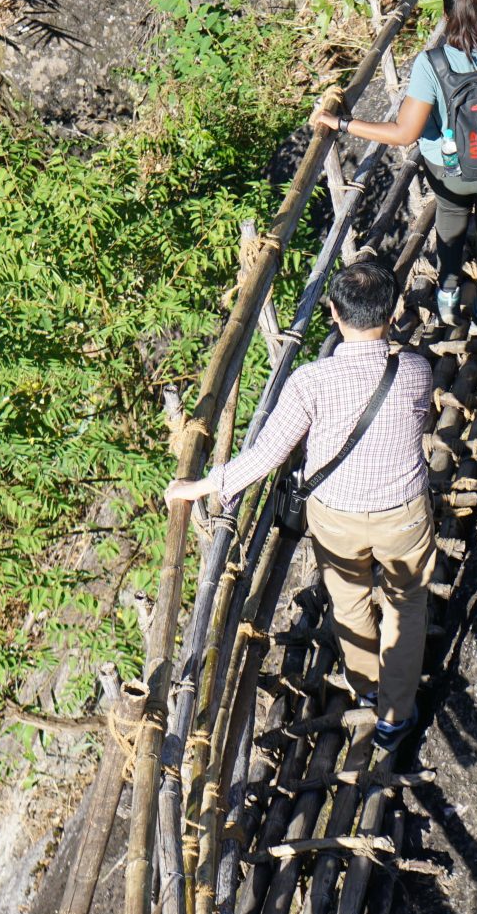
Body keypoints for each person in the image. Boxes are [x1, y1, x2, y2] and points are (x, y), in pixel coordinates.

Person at [166, 259, 436, 751]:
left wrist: (203, 485)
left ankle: (367, 685)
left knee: (350, 601)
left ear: (333, 312)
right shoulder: (417, 370)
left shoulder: (310, 382)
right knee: (406, 605)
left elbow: (267, 455)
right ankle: (395, 716)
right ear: (394, 312)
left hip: (336, 515)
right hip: (402, 510)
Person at [312, 0, 477, 332]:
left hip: (450, 170)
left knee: (450, 223)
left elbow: (405, 134)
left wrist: (343, 124)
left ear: (446, 14)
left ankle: (448, 300)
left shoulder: (432, 65)